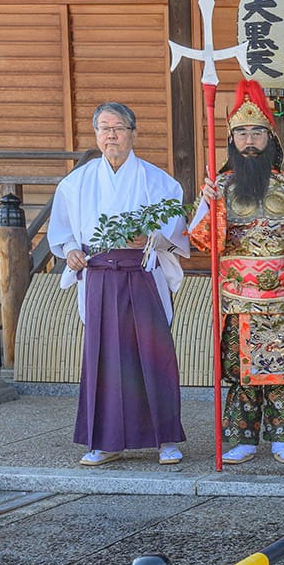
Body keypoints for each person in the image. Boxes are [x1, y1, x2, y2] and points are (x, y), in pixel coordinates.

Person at [48, 101, 187, 467]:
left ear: (133, 133)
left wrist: (152, 239)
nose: (111, 134)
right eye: (104, 128)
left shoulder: (158, 181)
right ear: (96, 134)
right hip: (98, 275)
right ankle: (105, 440)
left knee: (154, 355)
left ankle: (166, 438)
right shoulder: (75, 183)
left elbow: (174, 233)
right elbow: (62, 232)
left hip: (140, 272)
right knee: (103, 356)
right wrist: (71, 251)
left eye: (119, 127)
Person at [192, 81, 284, 464]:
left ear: (271, 138)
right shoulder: (219, 189)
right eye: (241, 133)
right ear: (231, 141)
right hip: (239, 298)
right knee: (242, 371)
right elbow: (202, 241)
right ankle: (243, 439)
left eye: (257, 131)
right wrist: (208, 206)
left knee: (281, 370)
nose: (249, 141)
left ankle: (282, 439)